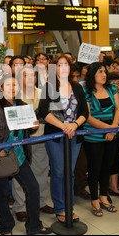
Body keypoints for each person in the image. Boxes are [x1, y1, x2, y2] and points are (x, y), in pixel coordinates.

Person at [0, 75, 52, 235]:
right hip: (1, 157)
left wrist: (33, 126)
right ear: (1, 88)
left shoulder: (24, 105)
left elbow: (27, 129)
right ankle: (6, 228)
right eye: (8, 85)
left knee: (33, 187)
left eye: (15, 84)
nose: (12, 87)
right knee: (2, 193)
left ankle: (34, 226)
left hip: (19, 155)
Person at [37, 54, 88, 223]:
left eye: (66, 65)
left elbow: (84, 113)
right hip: (56, 135)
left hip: (74, 135)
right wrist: (64, 126)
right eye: (59, 65)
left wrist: (74, 125)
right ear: (54, 69)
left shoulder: (78, 88)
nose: (63, 68)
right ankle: (60, 208)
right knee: (58, 172)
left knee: (70, 172)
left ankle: (69, 207)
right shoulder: (48, 87)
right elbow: (43, 112)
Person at [11, 66, 54, 222]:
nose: (29, 78)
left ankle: (40, 202)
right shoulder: (14, 95)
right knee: (20, 173)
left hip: (40, 137)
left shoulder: (42, 94)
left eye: (32, 76)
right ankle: (20, 206)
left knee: (41, 171)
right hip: (21, 141)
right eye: (25, 75)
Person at [82, 62, 119, 216]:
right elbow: (88, 117)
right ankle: (94, 199)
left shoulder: (111, 88)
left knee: (107, 166)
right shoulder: (86, 91)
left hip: (111, 134)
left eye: (104, 71)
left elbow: (118, 108)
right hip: (93, 135)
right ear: (92, 74)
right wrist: (109, 129)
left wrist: (114, 126)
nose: (104, 75)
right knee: (95, 168)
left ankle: (104, 196)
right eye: (100, 72)